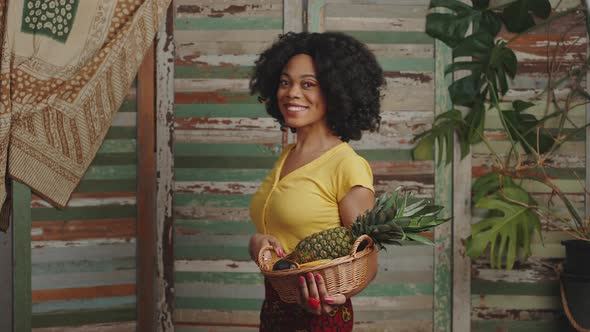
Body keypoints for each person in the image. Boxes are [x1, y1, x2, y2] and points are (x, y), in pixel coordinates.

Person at [248, 31, 385, 331]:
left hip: (320, 317)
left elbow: (368, 262)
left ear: (335, 92)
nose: (292, 93)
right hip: (274, 311)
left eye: (308, 84)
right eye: (285, 82)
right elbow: (277, 236)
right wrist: (256, 244)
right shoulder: (287, 155)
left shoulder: (347, 165)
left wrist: (334, 296)